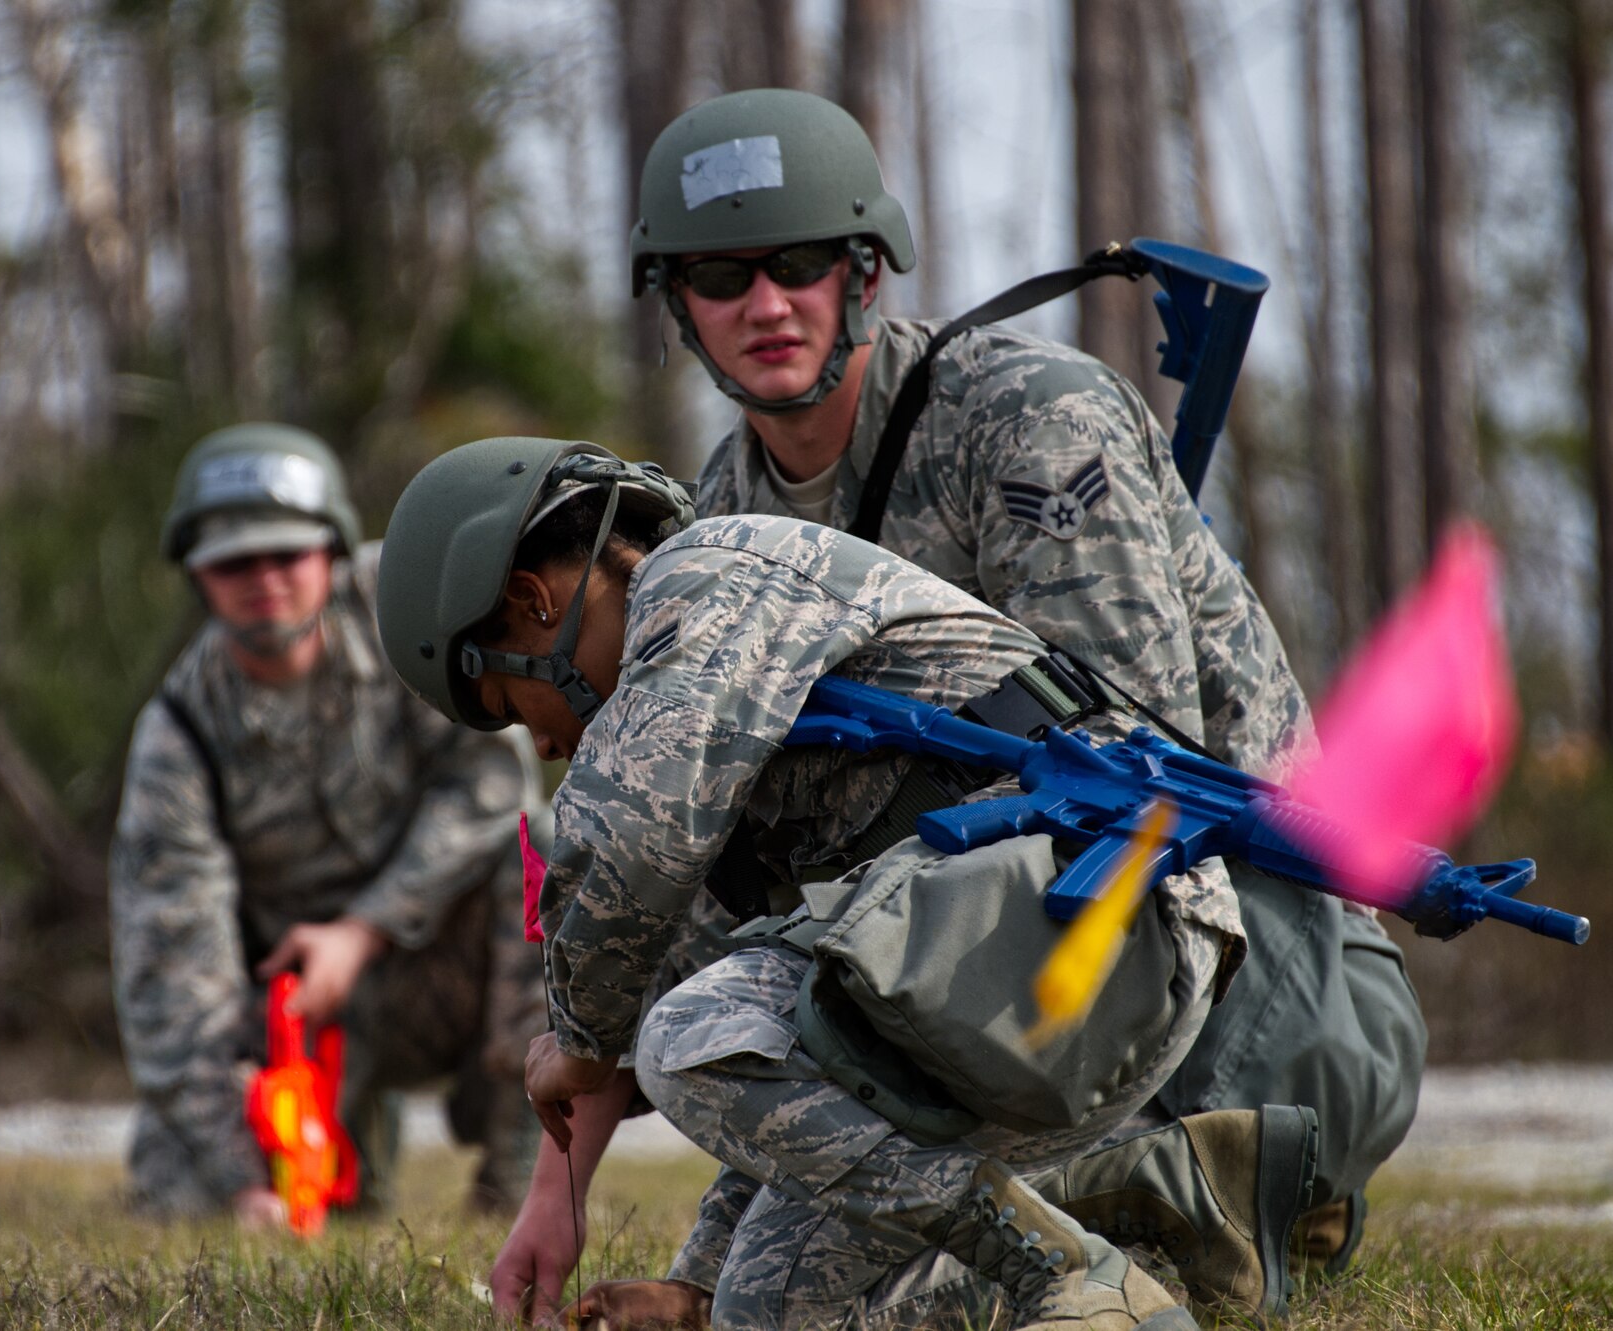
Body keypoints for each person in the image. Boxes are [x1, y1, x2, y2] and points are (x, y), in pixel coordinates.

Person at [628, 87, 1427, 1313]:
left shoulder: (1025, 417)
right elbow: (796, 911)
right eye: (719, 274)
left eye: (796, 262)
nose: (764, 303)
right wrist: (699, 1261)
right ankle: (1151, 1194)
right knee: (763, 1305)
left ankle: (1207, 1178)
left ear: (862, 271)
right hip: (976, 973)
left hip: (1248, 968)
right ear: (675, 303)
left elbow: (1134, 786)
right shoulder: (727, 519)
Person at [376, 436, 1287, 1330]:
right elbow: (789, 1058)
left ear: (535, 603)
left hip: (1089, 909)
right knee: (766, 1309)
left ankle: (1066, 1270)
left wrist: (577, 1036)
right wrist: (699, 1286)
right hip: (1014, 959)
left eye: (509, 705)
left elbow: (621, 844)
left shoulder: (700, 578)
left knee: (685, 1033)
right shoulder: (721, 710)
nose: (539, 744)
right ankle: (1148, 1202)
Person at [109, 422, 547, 1225]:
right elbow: (173, 977)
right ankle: (339, 1149)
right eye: (235, 561)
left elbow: (495, 787)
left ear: (333, 550)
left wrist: (364, 929)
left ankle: (519, 1187)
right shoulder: (179, 735)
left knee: (537, 859)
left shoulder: (402, 613)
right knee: (184, 1201)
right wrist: (244, 1174)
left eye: (287, 553)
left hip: (434, 972)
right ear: (198, 574)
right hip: (291, 1015)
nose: (264, 578)